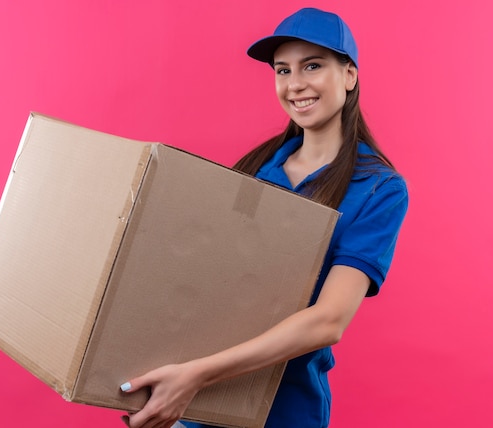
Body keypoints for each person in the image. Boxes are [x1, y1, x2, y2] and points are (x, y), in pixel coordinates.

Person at [118, 7, 408, 428]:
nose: (295, 85)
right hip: (190, 407)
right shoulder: (255, 169)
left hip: (279, 412)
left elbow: (328, 321)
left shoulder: (378, 189)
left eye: (312, 66)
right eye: (282, 70)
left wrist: (194, 375)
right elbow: (203, 282)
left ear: (349, 75)